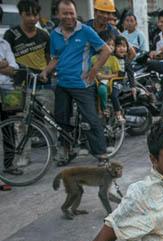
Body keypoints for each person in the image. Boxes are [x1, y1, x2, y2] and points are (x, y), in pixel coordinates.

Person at [40, 0, 113, 165]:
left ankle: (101, 154)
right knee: (61, 119)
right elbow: (56, 58)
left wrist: (94, 69)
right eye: (65, 13)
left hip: (82, 85)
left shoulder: (85, 31)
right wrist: (46, 71)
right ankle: (67, 151)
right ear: (58, 15)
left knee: (91, 119)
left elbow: (106, 50)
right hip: (62, 84)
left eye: (71, 13)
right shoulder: (54, 34)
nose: (69, 16)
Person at [4, 0, 53, 170]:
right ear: (21, 15)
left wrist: (47, 73)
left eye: (35, 14)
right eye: (28, 15)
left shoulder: (44, 35)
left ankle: (53, 153)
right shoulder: (11, 35)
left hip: (42, 83)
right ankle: (23, 156)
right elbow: (6, 61)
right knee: (20, 122)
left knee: (49, 119)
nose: (32, 18)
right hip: (19, 85)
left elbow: (50, 58)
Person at [0, 6, 21, 176]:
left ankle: (9, 164)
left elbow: (14, 68)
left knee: (9, 129)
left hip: (6, 90)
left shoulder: (4, 43)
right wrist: (3, 64)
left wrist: (6, 66)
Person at [93, 31, 120, 117]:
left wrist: (104, 77)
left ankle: (104, 109)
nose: (111, 47)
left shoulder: (113, 59)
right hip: (94, 81)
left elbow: (116, 74)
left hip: (108, 83)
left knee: (102, 90)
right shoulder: (93, 59)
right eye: (108, 44)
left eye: (113, 45)